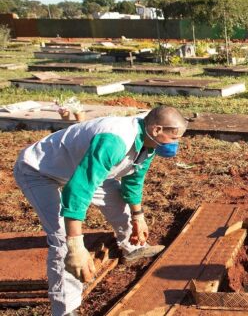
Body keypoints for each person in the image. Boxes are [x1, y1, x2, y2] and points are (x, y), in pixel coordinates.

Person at [13, 105, 188, 316]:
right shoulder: (114, 141)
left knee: (117, 199)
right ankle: (65, 310)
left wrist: (138, 216)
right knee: (61, 240)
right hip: (40, 170)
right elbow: (79, 188)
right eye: (173, 137)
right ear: (157, 129)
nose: (175, 144)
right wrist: (76, 244)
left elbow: (133, 179)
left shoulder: (149, 141)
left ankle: (132, 248)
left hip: (82, 169)